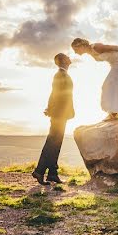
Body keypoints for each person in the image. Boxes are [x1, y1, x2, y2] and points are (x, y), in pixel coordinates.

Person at [32, 53, 74, 185]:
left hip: (61, 113)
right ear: (63, 61)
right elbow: (55, 93)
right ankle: (39, 171)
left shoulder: (63, 74)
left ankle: (52, 174)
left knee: (56, 143)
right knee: (52, 143)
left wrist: (50, 108)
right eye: (67, 57)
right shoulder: (60, 75)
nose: (70, 58)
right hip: (59, 114)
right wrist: (51, 109)